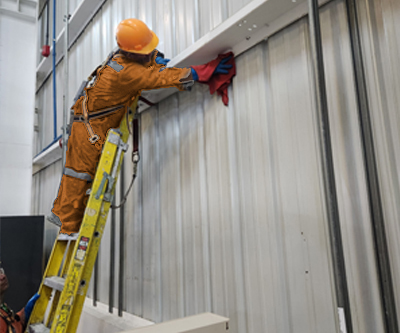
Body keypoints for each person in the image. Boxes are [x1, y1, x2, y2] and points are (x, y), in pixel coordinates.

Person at [47, 18, 232, 237]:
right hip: (89, 130)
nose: (148, 53)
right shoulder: (125, 73)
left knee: (81, 176)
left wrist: (157, 58)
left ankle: (66, 218)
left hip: (87, 122)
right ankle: (67, 228)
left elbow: (145, 63)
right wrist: (202, 71)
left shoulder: (119, 56)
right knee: (79, 176)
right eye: (145, 50)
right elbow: (159, 78)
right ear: (132, 52)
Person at [0, 263, 40, 333]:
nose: (2, 276)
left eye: (0, 271)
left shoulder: (2, 307)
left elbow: (13, 325)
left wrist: (24, 315)